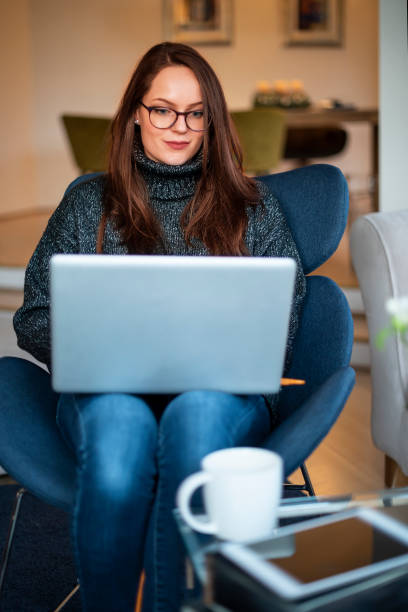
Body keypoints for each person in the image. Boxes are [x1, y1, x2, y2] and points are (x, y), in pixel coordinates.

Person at [12, 42, 306, 612]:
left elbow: (281, 326)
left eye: (196, 112)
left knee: (196, 414)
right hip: (107, 391)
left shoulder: (254, 207)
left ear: (212, 120)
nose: (180, 126)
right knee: (120, 434)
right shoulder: (87, 204)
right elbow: (35, 314)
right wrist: (91, 349)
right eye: (163, 109)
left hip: (221, 395)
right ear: (136, 115)